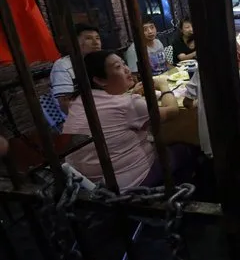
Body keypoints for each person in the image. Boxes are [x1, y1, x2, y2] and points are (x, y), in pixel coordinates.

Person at [63, 50, 195, 189]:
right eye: (117, 67)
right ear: (99, 80)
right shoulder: (127, 104)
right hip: (125, 184)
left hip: (85, 182)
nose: (126, 69)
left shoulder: (79, 101)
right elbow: (172, 111)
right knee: (185, 149)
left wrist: (132, 95)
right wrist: (164, 86)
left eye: (123, 63)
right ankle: (175, 194)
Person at [183, 44, 240, 157]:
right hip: (236, 136)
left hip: (210, 137)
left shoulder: (201, 71)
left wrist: (200, 105)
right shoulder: (238, 74)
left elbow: (187, 102)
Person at [50, 23, 102, 114]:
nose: (96, 42)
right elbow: (65, 104)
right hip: (83, 117)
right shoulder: (63, 66)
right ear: (75, 42)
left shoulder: (100, 60)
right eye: (88, 38)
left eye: (97, 38)